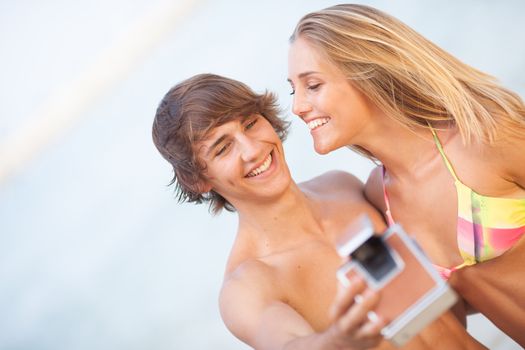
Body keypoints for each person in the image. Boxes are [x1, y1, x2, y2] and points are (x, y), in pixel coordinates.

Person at [151, 73, 485, 349]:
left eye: (251, 124)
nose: (253, 150)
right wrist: (338, 341)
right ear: (197, 180)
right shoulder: (247, 286)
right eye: (223, 147)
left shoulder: (343, 187)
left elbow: (446, 296)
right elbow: (287, 343)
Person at [287, 4, 525, 346]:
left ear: (366, 74)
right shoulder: (379, 198)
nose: (297, 106)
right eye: (293, 89)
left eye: (312, 85)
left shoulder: (482, 136)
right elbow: (450, 322)